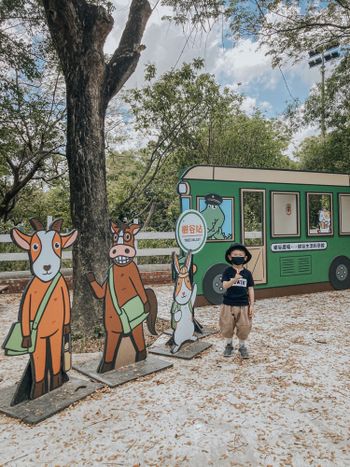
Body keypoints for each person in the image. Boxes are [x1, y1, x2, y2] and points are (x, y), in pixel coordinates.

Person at [219, 243, 255, 359]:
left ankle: (242, 346)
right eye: (235, 254)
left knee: (244, 326)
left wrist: (252, 305)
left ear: (245, 258)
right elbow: (225, 285)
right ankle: (228, 345)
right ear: (230, 257)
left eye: (240, 255)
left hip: (243, 305)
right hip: (228, 304)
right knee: (227, 325)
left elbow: (250, 289)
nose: (238, 256)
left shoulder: (247, 273)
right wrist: (234, 279)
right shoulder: (227, 271)